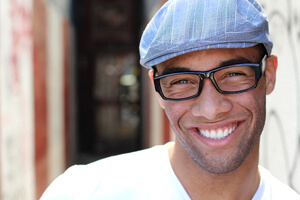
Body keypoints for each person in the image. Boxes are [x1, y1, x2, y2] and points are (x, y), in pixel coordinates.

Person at [41, 0, 300, 199]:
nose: (211, 110)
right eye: (182, 81)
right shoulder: (84, 193)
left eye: (233, 74)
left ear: (270, 75)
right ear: (157, 90)